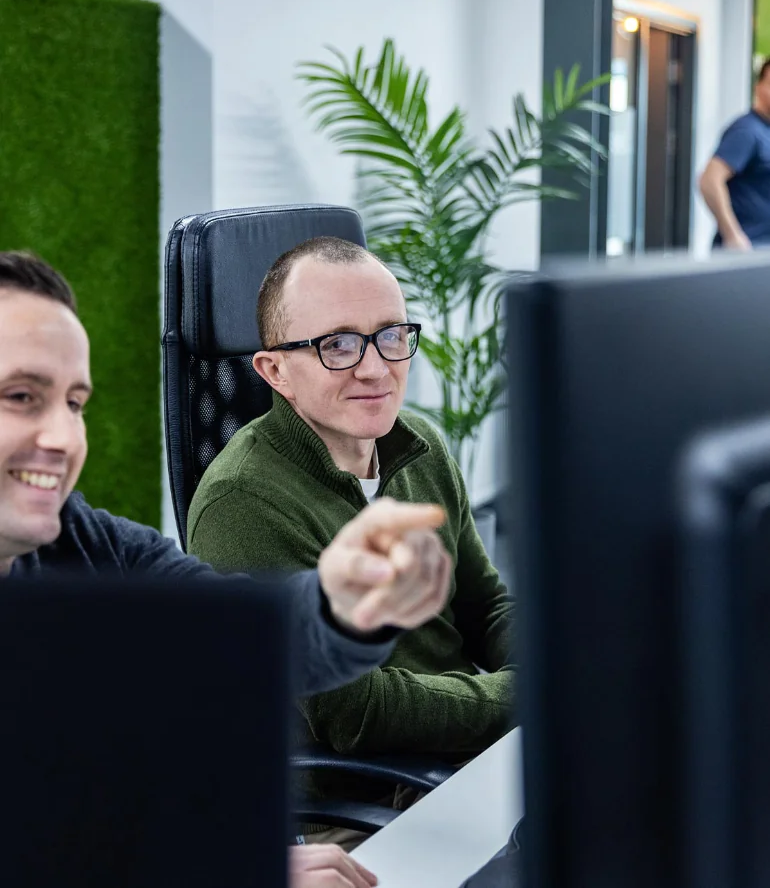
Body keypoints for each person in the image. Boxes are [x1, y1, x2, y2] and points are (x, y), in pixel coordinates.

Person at [0, 249, 455, 888]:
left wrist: (342, 601)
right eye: (22, 397)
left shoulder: (85, 545)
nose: (62, 437)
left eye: (75, 404)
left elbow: (239, 633)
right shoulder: (243, 492)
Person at [188, 237, 515, 851]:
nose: (375, 367)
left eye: (390, 334)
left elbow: (485, 603)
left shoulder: (418, 444)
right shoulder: (243, 502)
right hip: (360, 808)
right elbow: (355, 714)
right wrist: (518, 697)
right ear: (275, 370)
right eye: (336, 344)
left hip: (458, 760)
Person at [699, 58, 770, 250]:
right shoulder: (746, 131)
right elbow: (709, 181)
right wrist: (733, 235)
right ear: (758, 87)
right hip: (746, 254)